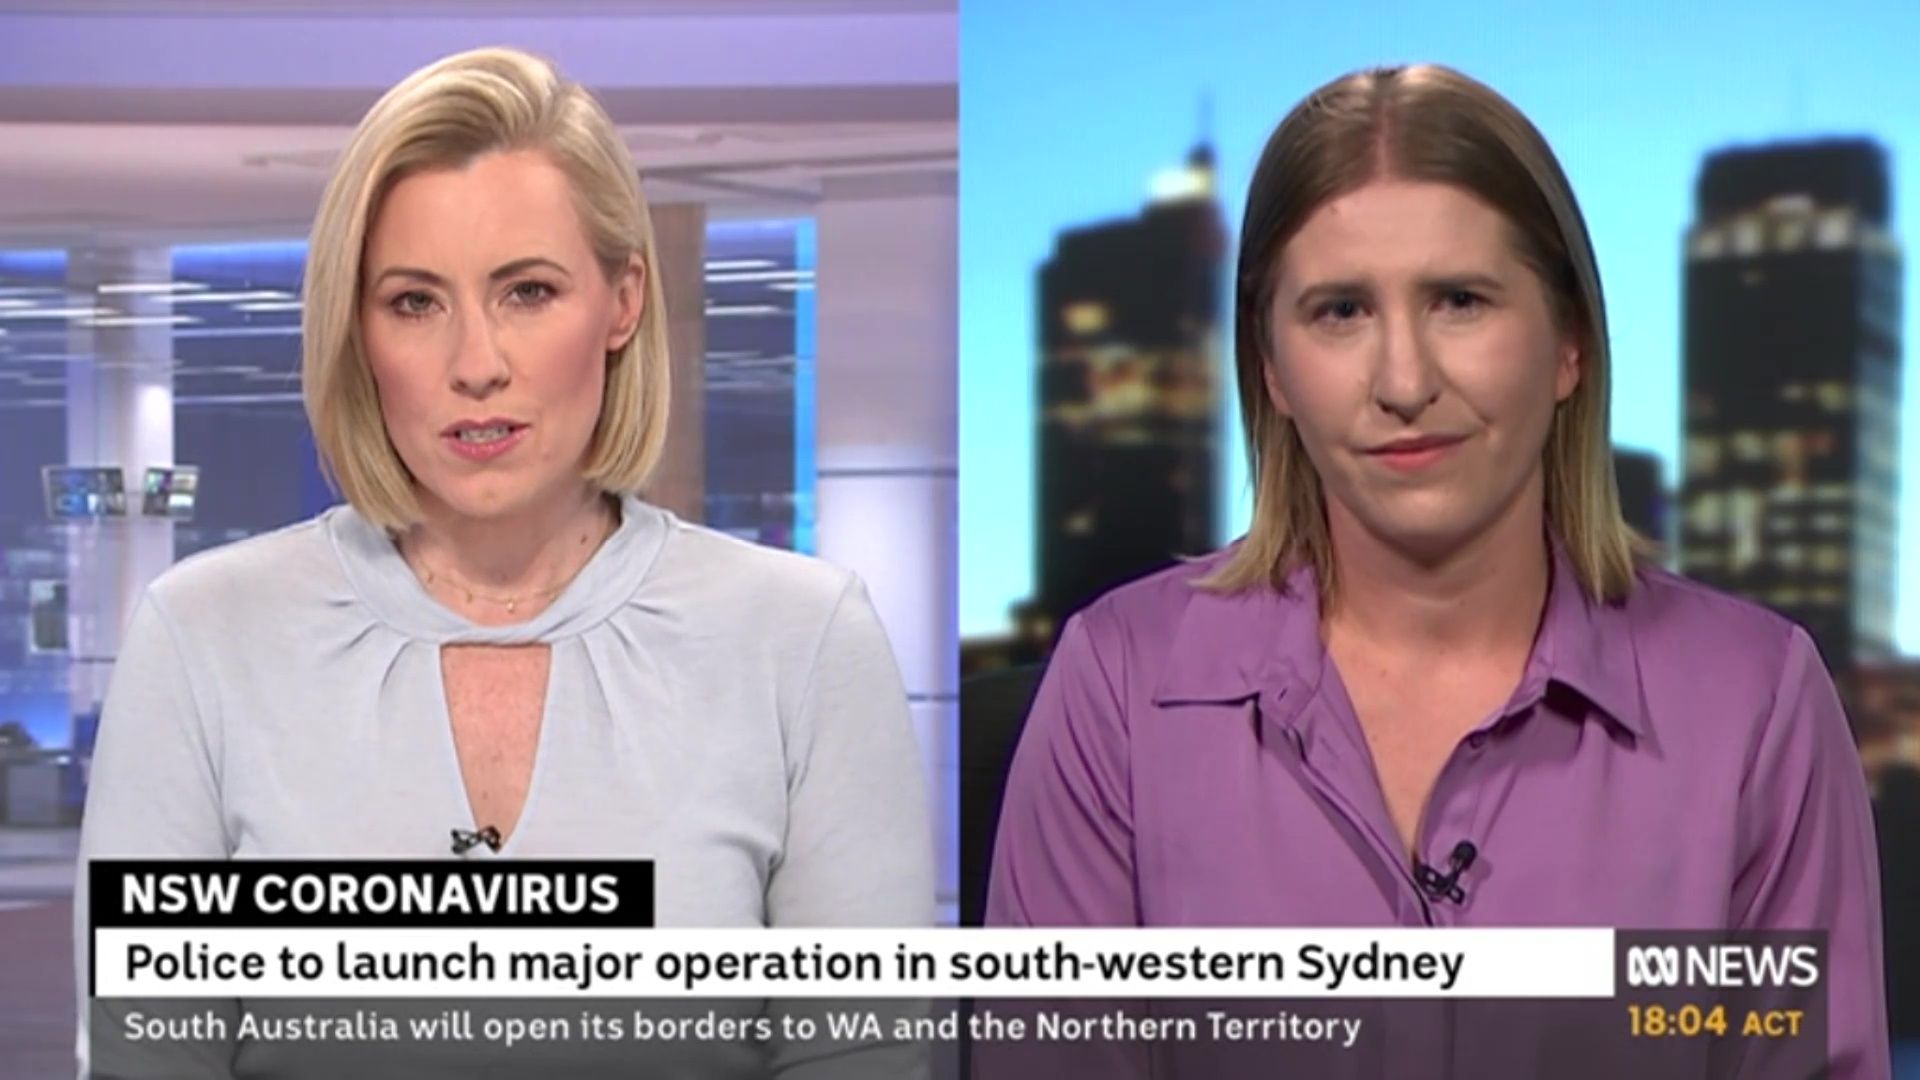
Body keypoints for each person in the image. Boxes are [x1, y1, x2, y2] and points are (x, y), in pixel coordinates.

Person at [985, 64, 1888, 1079]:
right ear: (1272, 369)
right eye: (1340, 312)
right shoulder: (1119, 688)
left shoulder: (1754, 703)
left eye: (1459, 301)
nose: (1404, 382)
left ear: (1569, 343)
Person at [75, 46, 932, 1078]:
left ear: (622, 301)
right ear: (357, 328)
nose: (475, 365)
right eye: (415, 302)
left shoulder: (803, 640)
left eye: (527, 291)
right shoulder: (203, 639)